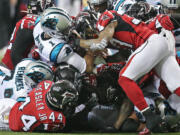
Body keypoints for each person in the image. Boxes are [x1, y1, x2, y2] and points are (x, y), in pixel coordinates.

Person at [74, 7, 180, 132]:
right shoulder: (109, 32)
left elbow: (100, 43)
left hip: (152, 42)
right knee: (175, 87)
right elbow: (90, 65)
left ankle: (150, 118)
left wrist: (78, 42)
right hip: (159, 45)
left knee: (125, 78)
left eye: (87, 31)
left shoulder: (105, 17)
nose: (88, 35)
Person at [9, 79, 79, 132]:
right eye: (67, 100)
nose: (69, 103)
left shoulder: (46, 84)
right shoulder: (56, 119)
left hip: (12, 105)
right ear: (57, 99)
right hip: (10, 124)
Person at [1, 0, 54, 70]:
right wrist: (29, 71)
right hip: (10, 69)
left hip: (16, 64)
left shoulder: (33, 22)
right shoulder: (30, 25)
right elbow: (15, 55)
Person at [33, 7, 87, 73]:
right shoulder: (57, 50)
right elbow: (85, 67)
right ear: (52, 33)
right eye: (65, 30)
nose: (69, 30)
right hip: (54, 68)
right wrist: (91, 51)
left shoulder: (39, 25)